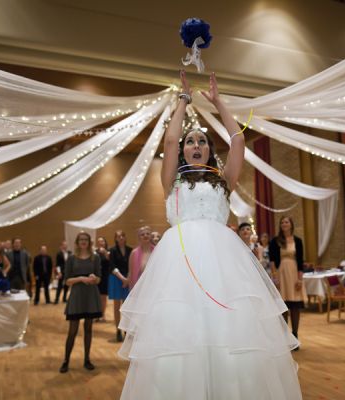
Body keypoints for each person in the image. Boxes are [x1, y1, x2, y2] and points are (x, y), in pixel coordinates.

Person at [118, 71, 301, 399]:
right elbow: (169, 140)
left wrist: (219, 103)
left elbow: (238, 141)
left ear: (209, 150)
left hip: (223, 265)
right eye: (191, 141)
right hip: (179, 265)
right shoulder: (171, 182)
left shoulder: (224, 180)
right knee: (182, 328)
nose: (196, 145)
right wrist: (183, 101)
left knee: (227, 330)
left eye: (202, 141)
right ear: (184, 151)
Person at [60, 232, 102, 373]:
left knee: (88, 329)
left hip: (91, 296)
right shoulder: (71, 258)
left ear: (89, 242)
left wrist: (94, 278)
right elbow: (67, 281)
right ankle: (66, 360)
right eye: (81, 239)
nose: (83, 241)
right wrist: (81, 279)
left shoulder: (95, 258)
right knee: (72, 331)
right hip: (77, 297)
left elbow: (99, 279)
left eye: (86, 239)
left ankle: (87, 359)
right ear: (77, 242)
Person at [269, 216, 306, 347]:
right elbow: (272, 261)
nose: (284, 224)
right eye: (282, 222)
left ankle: (295, 335)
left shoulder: (298, 241)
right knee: (283, 307)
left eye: (286, 222)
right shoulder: (275, 241)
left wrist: (300, 279)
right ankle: (285, 337)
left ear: (291, 224)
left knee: (295, 306)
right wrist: (275, 277)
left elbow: (300, 262)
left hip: (294, 275)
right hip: (281, 275)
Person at [108, 230, 132, 342]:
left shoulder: (130, 250)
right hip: (116, 279)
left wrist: (128, 279)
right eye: (118, 236)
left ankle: (126, 329)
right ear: (116, 239)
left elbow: (132, 266)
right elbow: (112, 266)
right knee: (117, 307)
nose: (121, 237)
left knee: (126, 307)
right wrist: (123, 279)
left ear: (125, 237)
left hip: (128, 279)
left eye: (122, 235)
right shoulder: (112, 250)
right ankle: (118, 330)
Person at [95, 236, 111, 322]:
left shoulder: (109, 251)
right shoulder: (95, 252)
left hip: (105, 277)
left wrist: (105, 252)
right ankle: (97, 314)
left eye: (102, 241)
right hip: (96, 276)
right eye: (99, 242)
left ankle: (102, 314)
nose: (101, 243)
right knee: (96, 297)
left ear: (105, 243)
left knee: (103, 297)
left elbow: (111, 261)